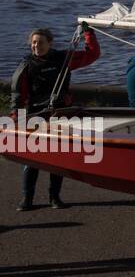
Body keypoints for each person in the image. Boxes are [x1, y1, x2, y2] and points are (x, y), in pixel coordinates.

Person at [10, 24, 101, 211]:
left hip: (60, 115)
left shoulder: (63, 59)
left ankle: (55, 198)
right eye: (33, 43)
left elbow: (92, 54)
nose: (36, 46)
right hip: (36, 116)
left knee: (57, 158)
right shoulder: (26, 66)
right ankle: (27, 199)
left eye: (40, 43)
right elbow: (18, 96)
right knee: (31, 159)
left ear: (50, 43)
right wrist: (17, 120)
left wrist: (88, 33)